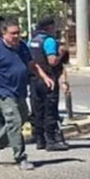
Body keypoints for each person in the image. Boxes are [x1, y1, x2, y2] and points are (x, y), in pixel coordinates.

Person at [0, 17, 49, 170]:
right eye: (13, 34)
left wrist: (45, 77)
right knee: (14, 122)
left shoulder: (22, 47)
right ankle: (20, 158)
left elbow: (32, 65)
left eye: (18, 33)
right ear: (4, 34)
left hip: (19, 90)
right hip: (3, 91)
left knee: (22, 119)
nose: (16, 36)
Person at [28, 17, 70, 152]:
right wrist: (61, 54)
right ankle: (51, 140)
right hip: (48, 78)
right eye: (53, 26)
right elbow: (52, 61)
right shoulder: (49, 41)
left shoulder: (32, 41)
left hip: (34, 79)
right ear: (49, 27)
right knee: (50, 110)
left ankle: (40, 139)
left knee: (37, 110)